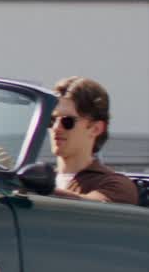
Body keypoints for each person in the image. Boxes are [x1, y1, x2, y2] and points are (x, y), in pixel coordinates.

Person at [49, 76, 138, 205]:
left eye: (67, 121)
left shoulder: (117, 185)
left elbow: (88, 209)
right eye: (51, 120)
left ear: (95, 129)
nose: (56, 128)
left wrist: (36, 190)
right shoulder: (40, 177)